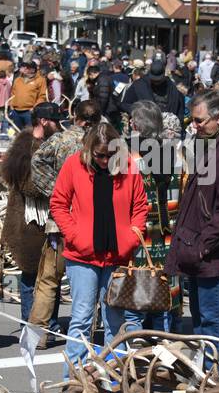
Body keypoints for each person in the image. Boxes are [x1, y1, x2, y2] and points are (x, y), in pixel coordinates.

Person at [50, 121, 148, 374]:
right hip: (82, 256)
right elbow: (59, 203)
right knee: (81, 319)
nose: (105, 160)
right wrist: (74, 236)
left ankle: (116, 380)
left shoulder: (128, 167)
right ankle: (72, 381)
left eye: (110, 155)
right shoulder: (74, 164)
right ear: (89, 150)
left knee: (115, 320)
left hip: (117, 255)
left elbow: (140, 207)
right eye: (99, 155)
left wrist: (131, 239)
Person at [164, 91, 219, 374]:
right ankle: (206, 373)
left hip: (215, 256)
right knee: (202, 321)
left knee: (216, 322)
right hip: (203, 251)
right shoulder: (213, 143)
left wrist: (202, 246)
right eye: (193, 120)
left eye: (200, 121)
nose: (195, 126)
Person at [29, 100, 96, 343]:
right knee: (91, 283)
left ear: (75, 116)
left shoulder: (61, 140)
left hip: (61, 220)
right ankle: (84, 335)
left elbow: (36, 163)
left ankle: (37, 337)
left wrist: (55, 191)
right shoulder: (105, 143)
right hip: (93, 222)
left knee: (48, 280)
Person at [126, 100, 182, 332]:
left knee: (135, 296)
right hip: (167, 232)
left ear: (135, 125)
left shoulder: (129, 157)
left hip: (139, 233)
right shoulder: (175, 154)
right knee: (163, 293)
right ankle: (165, 344)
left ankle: (134, 344)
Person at [0, 120, 48, 325]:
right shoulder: (27, 152)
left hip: (34, 224)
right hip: (29, 224)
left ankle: (39, 322)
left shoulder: (27, 148)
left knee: (45, 278)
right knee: (33, 277)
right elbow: (31, 187)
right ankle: (31, 323)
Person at [120, 58, 185, 118]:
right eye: (153, 80)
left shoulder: (172, 89)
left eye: (158, 80)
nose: (156, 82)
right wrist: (140, 111)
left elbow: (179, 111)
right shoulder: (139, 85)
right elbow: (125, 104)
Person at [8, 59, 47, 131]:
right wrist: (11, 105)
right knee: (16, 133)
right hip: (16, 111)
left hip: (29, 112)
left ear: (32, 70)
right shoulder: (18, 79)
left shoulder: (40, 80)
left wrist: (34, 108)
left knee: (30, 133)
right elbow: (13, 93)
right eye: (24, 66)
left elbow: (42, 96)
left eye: (27, 67)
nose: (25, 69)